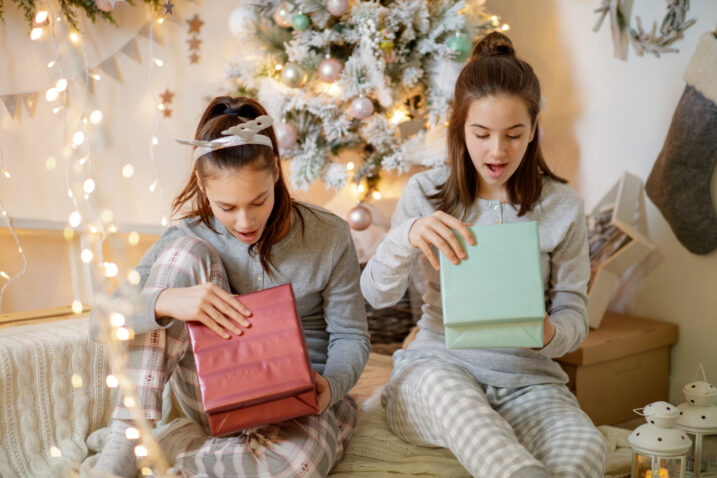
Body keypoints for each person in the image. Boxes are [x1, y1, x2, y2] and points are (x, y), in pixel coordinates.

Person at [360, 32, 607, 478]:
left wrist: (549, 334)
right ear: (460, 128)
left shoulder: (563, 206)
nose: (498, 151)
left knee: (585, 449)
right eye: (482, 134)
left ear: (533, 130)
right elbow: (376, 295)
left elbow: (574, 309)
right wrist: (407, 234)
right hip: (436, 373)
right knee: (468, 416)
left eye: (514, 134)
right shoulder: (425, 192)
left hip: (528, 382)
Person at [89, 96, 370, 477]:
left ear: (275, 172)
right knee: (181, 256)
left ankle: (181, 452)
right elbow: (99, 321)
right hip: (209, 394)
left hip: (296, 401)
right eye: (226, 207)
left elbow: (351, 336)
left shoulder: (329, 234)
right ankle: (130, 435)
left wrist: (332, 387)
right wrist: (168, 300)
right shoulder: (188, 233)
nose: (243, 221)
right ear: (204, 188)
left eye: (257, 202)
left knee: (298, 464)